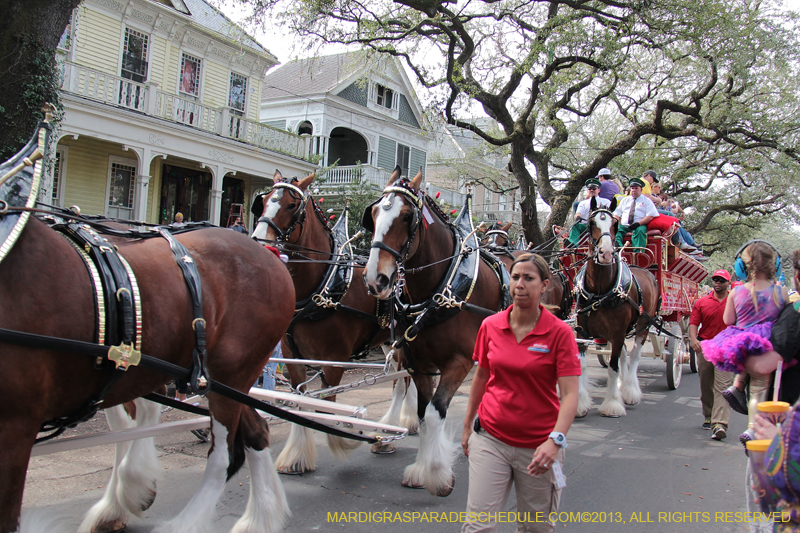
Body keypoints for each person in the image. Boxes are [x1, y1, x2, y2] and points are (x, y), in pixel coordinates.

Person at [461, 253, 581, 533]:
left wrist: (555, 441)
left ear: (544, 285)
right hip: (490, 439)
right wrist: (467, 425)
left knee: (535, 529)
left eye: (529, 278)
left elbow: (570, 394)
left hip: (539, 448)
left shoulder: (559, 333)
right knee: (477, 527)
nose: (520, 284)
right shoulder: (490, 325)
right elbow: (481, 375)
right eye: (515, 277)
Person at [702, 241, 789, 446]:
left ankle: (738, 385)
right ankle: (751, 428)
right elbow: (785, 321)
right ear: (774, 266)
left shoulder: (736, 292)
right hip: (767, 345)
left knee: (743, 363)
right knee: (760, 386)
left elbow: (728, 321)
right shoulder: (780, 292)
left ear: (742, 267)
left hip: (740, 343)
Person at [688, 269, 734, 440]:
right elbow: (694, 323)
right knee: (706, 384)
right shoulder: (701, 302)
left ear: (728, 283)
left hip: (727, 350)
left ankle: (719, 424)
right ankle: (708, 415)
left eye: (721, 280)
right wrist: (693, 340)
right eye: (715, 280)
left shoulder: (735, 302)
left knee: (723, 387)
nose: (718, 283)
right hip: (706, 348)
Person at [612, 176, 659, 252]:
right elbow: (616, 214)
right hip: (624, 225)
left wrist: (638, 223)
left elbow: (650, 216)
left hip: (639, 225)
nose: (634, 190)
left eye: (636, 188)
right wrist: (616, 223)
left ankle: (638, 254)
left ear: (641, 189)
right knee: (614, 231)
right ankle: (619, 251)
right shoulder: (625, 200)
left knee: (640, 231)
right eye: (632, 188)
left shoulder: (647, 201)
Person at [566, 178, 610, 246]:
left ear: (598, 190)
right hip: (586, 226)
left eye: (594, 188)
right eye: (590, 188)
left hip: (600, 227)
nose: (592, 190)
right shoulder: (583, 203)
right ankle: (573, 245)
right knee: (575, 225)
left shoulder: (606, 202)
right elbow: (579, 213)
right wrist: (578, 217)